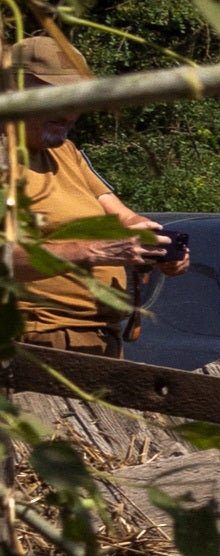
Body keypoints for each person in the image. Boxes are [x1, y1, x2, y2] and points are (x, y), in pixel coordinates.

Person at [2, 35, 175, 353]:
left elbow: (121, 216)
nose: (71, 112)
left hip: (96, 339)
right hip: (39, 342)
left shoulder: (67, 152)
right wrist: (93, 251)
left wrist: (156, 245)